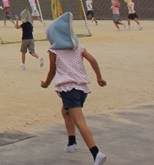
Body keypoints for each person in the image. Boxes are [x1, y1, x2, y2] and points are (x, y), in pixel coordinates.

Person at [40, 12, 107, 165]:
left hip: (69, 89)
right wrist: (99, 77)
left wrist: (45, 84)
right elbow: (92, 60)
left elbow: (52, 71)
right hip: (81, 88)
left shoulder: (54, 51)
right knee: (65, 111)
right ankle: (71, 142)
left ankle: (96, 153)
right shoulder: (80, 48)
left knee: (79, 121)